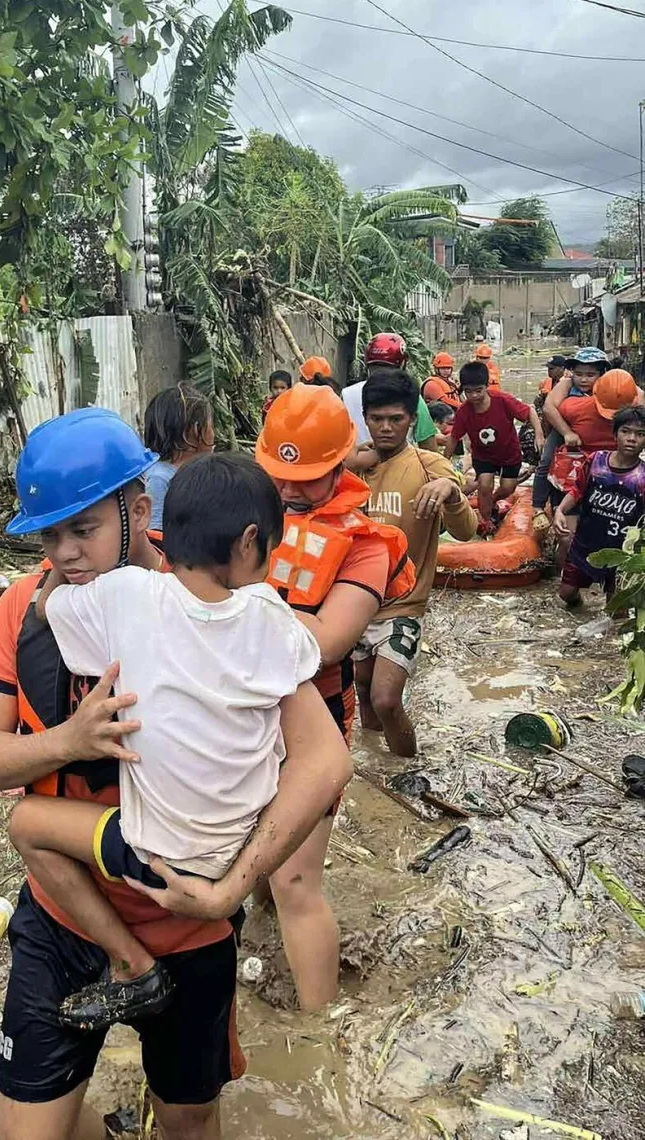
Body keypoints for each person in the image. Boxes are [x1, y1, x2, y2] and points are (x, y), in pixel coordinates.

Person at [0, 408, 353, 1140]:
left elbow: (324, 758)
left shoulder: (220, 604)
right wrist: (68, 741)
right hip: (64, 917)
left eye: (84, 529)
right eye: (50, 535)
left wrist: (233, 888)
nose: (66, 554)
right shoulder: (23, 611)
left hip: (189, 922)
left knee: (188, 1119)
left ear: (138, 511)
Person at [9, 452, 332, 1032]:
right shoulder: (271, 615)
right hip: (236, 855)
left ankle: (132, 968)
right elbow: (313, 667)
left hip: (155, 858)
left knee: (26, 825)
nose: (68, 548)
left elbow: (43, 605)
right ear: (249, 541)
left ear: (155, 519)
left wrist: (64, 560)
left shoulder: (127, 596)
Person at [255, 384, 415, 1009]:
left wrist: (229, 607)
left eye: (311, 480)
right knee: (254, 858)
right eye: (281, 478)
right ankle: (260, 939)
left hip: (313, 717)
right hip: (243, 714)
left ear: (343, 462)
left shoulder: (367, 544)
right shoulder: (249, 512)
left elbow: (325, 643)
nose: (292, 493)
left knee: (295, 878)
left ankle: (319, 1036)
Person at [356, 370, 477, 759]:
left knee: (387, 698)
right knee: (362, 689)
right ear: (365, 417)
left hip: (403, 605)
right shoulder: (356, 463)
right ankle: (379, 770)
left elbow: (467, 532)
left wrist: (453, 492)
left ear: (412, 419)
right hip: (354, 603)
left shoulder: (430, 466)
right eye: (377, 419)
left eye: (396, 419)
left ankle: (409, 769)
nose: (386, 428)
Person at [555, 406, 645, 607]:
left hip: (622, 553)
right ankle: (579, 606)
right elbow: (577, 490)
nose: (632, 438)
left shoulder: (642, 478)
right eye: (625, 431)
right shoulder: (596, 461)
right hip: (586, 542)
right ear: (615, 434)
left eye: (640, 434)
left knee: (616, 609)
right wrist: (560, 510)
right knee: (566, 594)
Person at [549, 370, 639, 564]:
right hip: (581, 474)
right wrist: (565, 431)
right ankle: (560, 575)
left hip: (615, 482)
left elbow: (550, 407)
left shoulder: (639, 417)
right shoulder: (574, 408)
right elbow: (549, 410)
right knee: (568, 539)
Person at [445, 362, 544, 532]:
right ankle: (486, 520)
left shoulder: (503, 400)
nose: (474, 396)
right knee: (484, 483)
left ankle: (493, 500)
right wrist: (444, 461)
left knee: (508, 487)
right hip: (483, 456)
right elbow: (454, 438)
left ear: (486, 386)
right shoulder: (464, 412)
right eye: (468, 392)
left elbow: (530, 412)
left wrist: (539, 435)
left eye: (478, 391)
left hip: (509, 453)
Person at [533, 348, 609, 514]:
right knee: (546, 462)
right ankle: (537, 507)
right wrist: (567, 432)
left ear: (601, 374)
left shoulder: (610, 385)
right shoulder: (566, 384)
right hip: (564, 428)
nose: (583, 379)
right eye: (579, 374)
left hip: (598, 435)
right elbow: (549, 408)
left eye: (590, 375)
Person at [342, 333, 438, 452]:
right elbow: (429, 447)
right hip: (402, 467)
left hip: (355, 468)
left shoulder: (346, 395)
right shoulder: (411, 397)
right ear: (403, 364)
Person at [143, 383, 214, 529]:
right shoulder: (160, 479)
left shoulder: (197, 472)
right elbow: (156, 535)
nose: (214, 433)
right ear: (194, 430)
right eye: (211, 425)